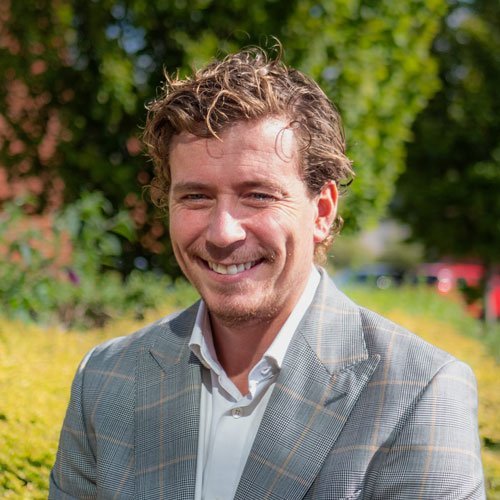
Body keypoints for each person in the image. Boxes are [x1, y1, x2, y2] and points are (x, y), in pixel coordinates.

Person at [50, 46, 485, 500]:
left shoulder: (420, 393)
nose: (222, 232)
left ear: (322, 211)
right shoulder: (106, 380)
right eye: (196, 197)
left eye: (257, 195)